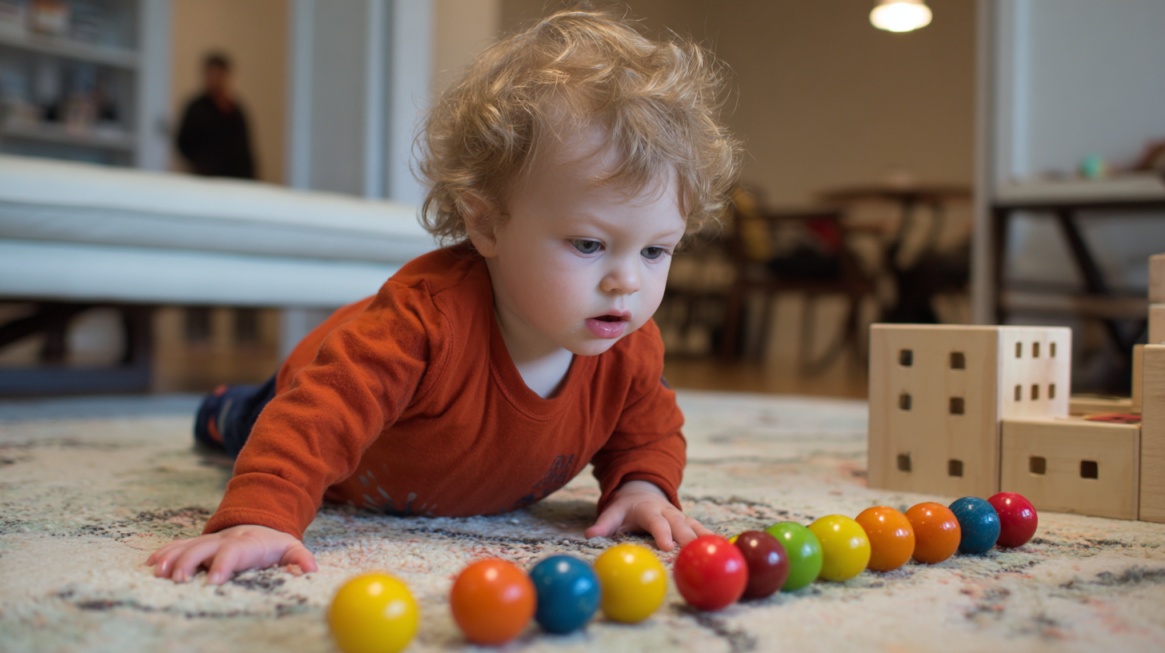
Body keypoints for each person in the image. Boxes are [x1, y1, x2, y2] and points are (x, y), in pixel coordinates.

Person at [147, 9, 740, 585]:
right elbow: (316, 417)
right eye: (589, 244)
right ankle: (224, 410)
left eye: (656, 251)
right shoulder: (421, 322)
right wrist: (257, 518)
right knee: (253, 424)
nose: (627, 281)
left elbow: (649, 431)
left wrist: (642, 487)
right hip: (318, 397)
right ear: (485, 225)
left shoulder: (628, 345)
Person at [175, 52, 257, 179]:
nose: (214, 79)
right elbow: (183, 143)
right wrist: (201, 164)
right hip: (205, 178)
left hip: (234, 178)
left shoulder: (235, 109)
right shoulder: (196, 108)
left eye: (218, 74)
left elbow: (245, 149)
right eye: (211, 74)